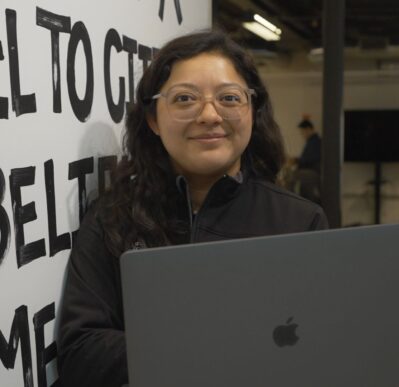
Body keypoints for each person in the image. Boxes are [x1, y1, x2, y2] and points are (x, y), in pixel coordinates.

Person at [57, 30, 328, 387]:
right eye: (185, 99)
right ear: (153, 118)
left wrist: (168, 350)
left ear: (252, 112)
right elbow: (81, 350)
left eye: (229, 98)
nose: (209, 115)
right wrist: (217, 348)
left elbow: (320, 347)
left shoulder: (301, 221)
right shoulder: (114, 217)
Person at [286, 115, 322, 203]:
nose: (302, 135)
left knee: (291, 176)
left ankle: (289, 200)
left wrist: (296, 160)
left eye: (303, 132)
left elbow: (309, 159)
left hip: (313, 171)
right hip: (310, 170)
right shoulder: (312, 141)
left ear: (308, 129)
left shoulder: (315, 142)